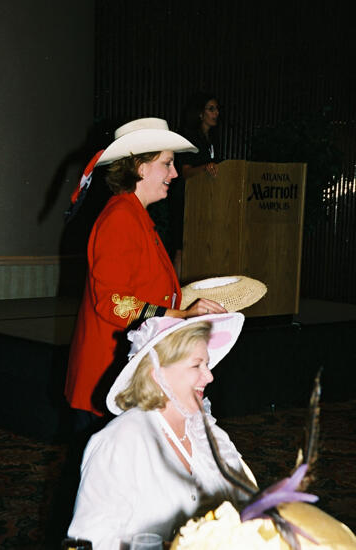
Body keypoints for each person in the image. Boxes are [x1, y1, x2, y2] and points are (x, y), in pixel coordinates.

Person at [64, 117, 226, 431]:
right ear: (141, 167)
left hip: (122, 373)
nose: (175, 173)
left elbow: (147, 289)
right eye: (167, 164)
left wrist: (187, 303)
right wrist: (179, 313)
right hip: (107, 378)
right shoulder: (121, 218)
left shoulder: (134, 215)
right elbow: (113, 303)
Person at [67, 312, 256, 549]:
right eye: (197, 365)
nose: (209, 375)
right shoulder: (121, 442)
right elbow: (89, 541)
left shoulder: (210, 436)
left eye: (207, 364)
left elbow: (251, 510)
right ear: (157, 374)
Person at [169, 93, 221, 277]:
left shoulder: (212, 139)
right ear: (200, 113)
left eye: (216, 109)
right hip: (185, 199)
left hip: (203, 200)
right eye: (211, 109)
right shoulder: (189, 137)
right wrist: (205, 168)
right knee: (181, 250)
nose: (216, 113)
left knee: (200, 249)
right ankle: (175, 297)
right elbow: (185, 172)